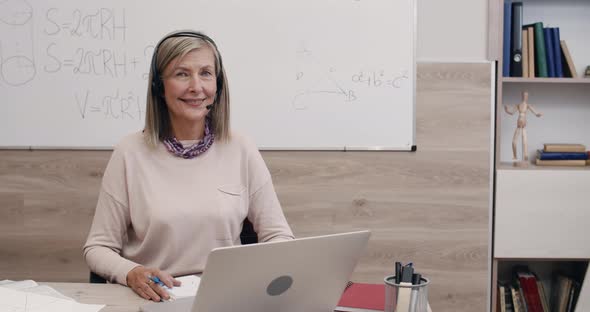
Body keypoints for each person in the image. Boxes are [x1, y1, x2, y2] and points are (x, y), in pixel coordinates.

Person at [83, 30, 294, 301]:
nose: (196, 87)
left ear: (217, 84)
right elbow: (98, 247)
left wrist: (247, 276)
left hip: (225, 297)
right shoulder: (129, 152)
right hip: (154, 298)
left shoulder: (241, 147)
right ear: (159, 87)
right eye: (182, 74)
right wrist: (132, 272)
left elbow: (279, 237)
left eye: (206, 73)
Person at [504, 90, 542, 161]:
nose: (525, 97)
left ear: (528, 97)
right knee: (514, 142)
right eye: (524, 95)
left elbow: (535, 112)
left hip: (524, 124)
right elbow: (512, 112)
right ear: (522, 96)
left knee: (524, 141)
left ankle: (525, 157)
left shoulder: (528, 105)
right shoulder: (518, 105)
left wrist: (538, 114)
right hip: (518, 124)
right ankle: (515, 156)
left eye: (526, 96)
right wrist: (506, 110)